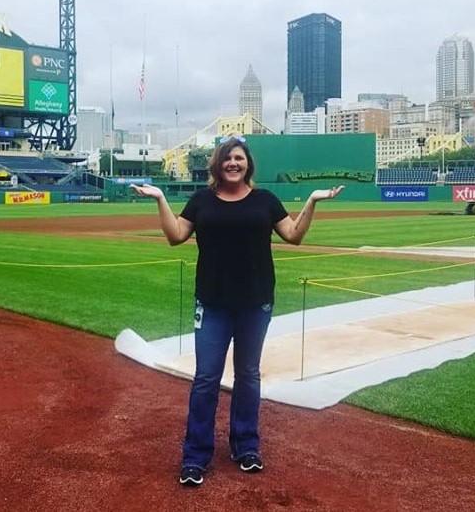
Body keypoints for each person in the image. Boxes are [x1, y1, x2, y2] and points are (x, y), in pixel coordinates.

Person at [131, 135, 344, 487]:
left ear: (248, 164)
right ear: (218, 164)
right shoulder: (202, 201)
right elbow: (175, 236)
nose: (234, 163)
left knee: (248, 376)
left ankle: (245, 445)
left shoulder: (264, 200)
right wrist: (160, 199)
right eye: (228, 158)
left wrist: (312, 201)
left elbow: (293, 235)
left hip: (254, 303)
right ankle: (196, 455)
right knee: (206, 379)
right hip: (213, 303)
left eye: (240, 158)